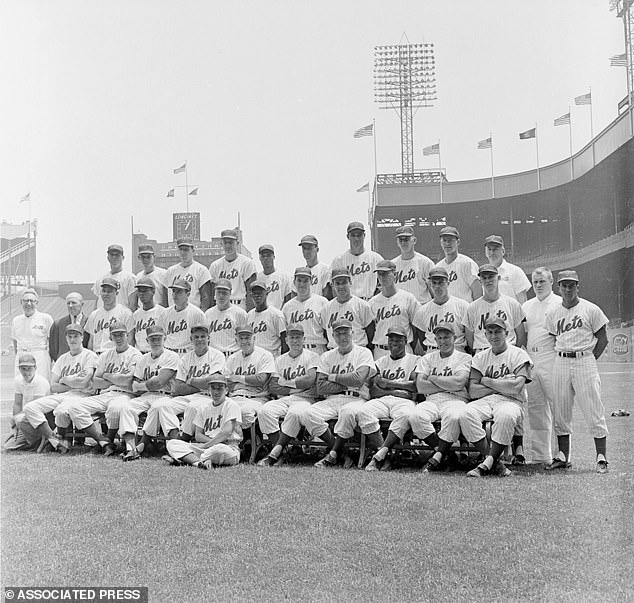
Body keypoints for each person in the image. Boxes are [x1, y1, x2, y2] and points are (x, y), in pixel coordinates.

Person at [544, 270, 610, 474]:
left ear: (577, 286)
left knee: (593, 408)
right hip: (562, 360)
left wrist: (588, 359)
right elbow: (553, 337)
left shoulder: (590, 309)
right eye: (564, 285)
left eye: (571, 285)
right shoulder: (554, 312)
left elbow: (603, 339)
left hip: (584, 360)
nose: (567, 289)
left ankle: (601, 457)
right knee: (561, 409)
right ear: (559, 288)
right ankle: (563, 456)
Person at [461, 317, 533, 478]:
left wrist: (487, 381)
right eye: (490, 332)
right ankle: (493, 461)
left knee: (506, 416)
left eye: (498, 331)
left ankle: (487, 462)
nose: (494, 336)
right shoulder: (480, 357)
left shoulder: (519, 354)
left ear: (506, 333)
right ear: (485, 335)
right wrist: (501, 385)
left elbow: (515, 388)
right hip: (487, 400)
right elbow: (473, 391)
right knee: (465, 413)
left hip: (512, 401)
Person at [67, 321, 142, 456]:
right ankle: (103, 441)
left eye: (121, 335)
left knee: (116, 407)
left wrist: (106, 376)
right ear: (110, 338)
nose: (118, 338)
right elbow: (95, 382)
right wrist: (116, 379)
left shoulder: (135, 354)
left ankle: (111, 440)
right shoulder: (106, 355)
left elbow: (127, 380)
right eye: (115, 335)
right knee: (74, 407)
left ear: (127, 335)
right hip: (106, 394)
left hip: (126, 394)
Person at [309, 320, 376, 468]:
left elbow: (358, 380)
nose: (342, 337)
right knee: (308, 414)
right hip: (332, 399)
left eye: (345, 332)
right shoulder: (327, 356)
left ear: (353, 333)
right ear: (332, 336)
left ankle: (333, 455)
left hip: (356, 398)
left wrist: (332, 378)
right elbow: (320, 386)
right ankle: (343, 453)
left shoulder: (363, 352)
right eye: (338, 333)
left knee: (348, 412)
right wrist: (347, 382)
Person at [22, 324, 98, 454]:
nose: (73, 339)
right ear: (66, 339)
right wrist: (74, 381)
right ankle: (54, 439)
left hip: (82, 396)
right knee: (30, 407)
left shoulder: (89, 356)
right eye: (70, 336)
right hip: (63, 395)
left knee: (61, 411)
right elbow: (53, 386)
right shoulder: (62, 358)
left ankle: (62, 441)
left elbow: (84, 384)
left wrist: (65, 379)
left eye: (76, 336)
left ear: (82, 338)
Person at [409, 322, 472, 472]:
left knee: (454, 417)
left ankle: (437, 457)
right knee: (415, 416)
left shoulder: (465, 357)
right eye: (440, 338)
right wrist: (447, 383)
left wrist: (434, 378)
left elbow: (459, 383)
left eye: (447, 337)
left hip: (456, 399)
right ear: (435, 340)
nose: (443, 341)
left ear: (454, 338)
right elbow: (421, 386)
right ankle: (445, 453)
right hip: (433, 400)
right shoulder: (428, 358)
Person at [356, 326, 419, 471]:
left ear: (406, 341)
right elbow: (374, 390)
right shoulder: (380, 362)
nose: (394, 342)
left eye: (399, 339)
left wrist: (388, 384)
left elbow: (414, 386)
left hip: (404, 402)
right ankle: (384, 453)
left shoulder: (415, 359)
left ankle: (379, 456)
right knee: (363, 412)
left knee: (406, 415)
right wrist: (400, 390)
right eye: (391, 339)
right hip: (383, 400)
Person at [256, 323, 320, 466]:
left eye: (298, 337)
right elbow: (273, 386)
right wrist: (295, 389)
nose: (295, 341)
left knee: (295, 413)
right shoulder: (280, 359)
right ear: (286, 340)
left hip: (305, 399)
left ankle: (276, 453)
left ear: (304, 339)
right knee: (264, 411)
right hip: (285, 398)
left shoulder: (312, 356)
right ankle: (284, 452)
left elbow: (310, 380)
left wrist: (286, 383)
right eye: (292, 337)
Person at [521, 267, 561, 464]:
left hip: (552, 357)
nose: (538, 285)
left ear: (551, 281)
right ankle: (540, 456)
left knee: (558, 407)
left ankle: (562, 455)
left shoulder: (560, 303)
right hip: (531, 358)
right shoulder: (527, 306)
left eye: (542, 281)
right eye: (535, 282)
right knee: (536, 408)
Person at [165, 374, 242, 469]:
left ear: (226, 390)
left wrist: (207, 445)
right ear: (209, 390)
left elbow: (226, 432)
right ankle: (199, 463)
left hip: (228, 447)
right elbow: (198, 435)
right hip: (207, 448)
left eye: (220, 388)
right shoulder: (203, 408)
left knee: (219, 450)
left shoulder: (231, 405)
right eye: (213, 388)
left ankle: (186, 459)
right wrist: (209, 444)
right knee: (172, 443)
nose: (216, 392)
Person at [130, 325, 180, 460]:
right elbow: (133, 386)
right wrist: (146, 385)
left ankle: (142, 444)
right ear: (147, 341)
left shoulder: (172, 356)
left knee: (157, 407)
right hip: (146, 396)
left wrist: (142, 385)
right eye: (152, 339)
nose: (156, 341)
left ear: (165, 338)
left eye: (159, 338)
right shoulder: (143, 359)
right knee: (126, 407)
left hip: (165, 395)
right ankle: (129, 447)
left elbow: (158, 383)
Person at [172, 325, 226, 443]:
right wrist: (202, 386)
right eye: (196, 337)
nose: (200, 339)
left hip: (208, 397)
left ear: (209, 338)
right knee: (163, 405)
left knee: (193, 407)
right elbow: (178, 387)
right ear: (191, 339)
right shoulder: (185, 358)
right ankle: (173, 439)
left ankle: (183, 441)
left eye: (203, 336)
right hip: (189, 396)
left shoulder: (217, 355)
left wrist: (191, 381)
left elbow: (214, 381)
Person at [223, 324, 276, 432]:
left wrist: (237, 378)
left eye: (247, 338)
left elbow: (260, 380)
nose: (244, 341)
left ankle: (246, 443)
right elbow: (227, 382)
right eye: (241, 338)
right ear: (236, 340)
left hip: (256, 398)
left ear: (254, 338)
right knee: (217, 410)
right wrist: (248, 382)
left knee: (244, 413)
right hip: (235, 398)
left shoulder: (265, 355)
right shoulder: (232, 358)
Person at [464, 264, 526, 354]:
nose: (488, 280)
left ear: (499, 278)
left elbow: (521, 335)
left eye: (491, 277)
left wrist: (512, 353)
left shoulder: (512, 304)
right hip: (482, 353)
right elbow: (469, 337)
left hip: (508, 351)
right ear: (480, 281)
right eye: (484, 278)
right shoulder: (472, 307)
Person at [368, 261, 420, 359]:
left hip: (404, 350)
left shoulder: (408, 298)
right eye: (379, 273)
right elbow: (370, 331)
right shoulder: (372, 303)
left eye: (386, 273)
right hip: (380, 351)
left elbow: (416, 327)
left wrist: (409, 344)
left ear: (394, 274)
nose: (382, 276)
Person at [413, 267, 468, 353]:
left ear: (448, 283)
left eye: (441, 282)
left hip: (457, 352)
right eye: (434, 283)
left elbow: (469, 336)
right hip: (432, 352)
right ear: (430, 284)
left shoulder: (462, 306)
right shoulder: (422, 310)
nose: (437, 286)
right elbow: (421, 337)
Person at [321, 268, 374, 350]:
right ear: (332, 285)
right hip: (334, 353)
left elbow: (370, 333)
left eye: (344, 282)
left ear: (350, 283)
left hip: (358, 352)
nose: (341, 286)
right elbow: (325, 333)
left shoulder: (362, 305)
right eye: (337, 283)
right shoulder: (326, 308)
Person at [6, 354, 50, 451]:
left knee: (19, 419)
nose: (26, 372)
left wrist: (16, 419)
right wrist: (15, 426)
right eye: (23, 369)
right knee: (8, 447)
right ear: (19, 369)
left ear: (35, 368)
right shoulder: (18, 380)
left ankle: (41, 440)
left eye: (29, 368)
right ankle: (32, 442)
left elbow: (35, 408)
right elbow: (17, 403)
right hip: (25, 419)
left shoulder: (41, 382)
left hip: (41, 419)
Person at [331, 221, 383, 301]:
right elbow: (333, 287)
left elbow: (383, 283)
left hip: (369, 301)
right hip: (348, 303)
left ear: (364, 236)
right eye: (353, 235)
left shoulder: (376, 258)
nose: (356, 238)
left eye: (359, 235)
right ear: (348, 236)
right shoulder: (339, 260)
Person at [282, 267, 328, 355]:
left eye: (305, 280)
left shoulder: (322, 302)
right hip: (296, 351)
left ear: (311, 282)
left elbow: (328, 332)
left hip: (317, 349)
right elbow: (285, 336)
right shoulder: (287, 307)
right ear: (294, 282)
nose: (302, 284)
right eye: (299, 280)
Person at [208, 229, 257, 310]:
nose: (227, 245)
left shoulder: (247, 263)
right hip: (220, 307)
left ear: (237, 243)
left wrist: (250, 312)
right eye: (225, 242)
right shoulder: (215, 266)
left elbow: (251, 291)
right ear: (221, 244)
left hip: (240, 305)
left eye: (230, 242)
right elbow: (212, 293)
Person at [85, 277, 135, 355]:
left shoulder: (125, 313)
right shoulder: (94, 315)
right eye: (104, 291)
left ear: (117, 293)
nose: (106, 294)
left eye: (110, 291)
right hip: (97, 356)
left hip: (115, 355)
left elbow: (130, 339)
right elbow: (91, 341)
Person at [11, 288, 53, 379]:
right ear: (21, 302)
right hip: (22, 356)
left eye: (32, 301)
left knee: (42, 386)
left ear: (36, 303)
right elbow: (15, 342)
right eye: (26, 300)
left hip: (40, 357)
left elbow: (52, 341)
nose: (29, 303)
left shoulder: (46, 318)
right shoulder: (16, 320)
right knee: (21, 386)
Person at [159, 278, 206, 355]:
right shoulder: (165, 314)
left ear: (188, 294)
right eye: (174, 291)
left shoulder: (197, 314)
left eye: (179, 291)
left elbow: (204, 339)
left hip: (187, 354)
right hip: (169, 355)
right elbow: (160, 337)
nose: (175, 294)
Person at [435, 226, 481, 302]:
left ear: (458, 242)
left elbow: (478, 294)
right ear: (441, 243)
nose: (447, 243)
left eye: (450, 240)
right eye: (444, 240)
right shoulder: (438, 267)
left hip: (465, 311)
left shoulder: (468, 264)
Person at [164, 239, 212, 310]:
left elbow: (206, 298)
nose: (183, 253)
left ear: (193, 251)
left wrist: (201, 315)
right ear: (177, 251)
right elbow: (165, 297)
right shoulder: (170, 271)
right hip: (174, 314)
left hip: (193, 314)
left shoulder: (201, 270)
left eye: (186, 250)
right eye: (181, 249)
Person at [205, 279, 248, 357]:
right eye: (219, 292)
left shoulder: (240, 314)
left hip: (233, 356)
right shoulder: (208, 314)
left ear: (230, 293)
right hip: (214, 357)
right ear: (214, 293)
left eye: (224, 293)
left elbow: (246, 339)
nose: (221, 296)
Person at [391, 225, 434, 304]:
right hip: (400, 309)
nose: (403, 242)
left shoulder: (425, 263)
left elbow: (434, 292)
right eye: (400, 240)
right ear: (397, 242)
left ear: (414, 240)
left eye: (406, 239)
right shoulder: (392, 265)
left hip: (421, 307)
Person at [483, 235, 531, 303]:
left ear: (503, 251)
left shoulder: (515, 271)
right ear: (485, 253)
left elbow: (523, 302)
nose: (492, 252)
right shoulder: (481, 274)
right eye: (489, 249)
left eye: (495, 249)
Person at [247, 280, 287, 357]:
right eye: (254, 294)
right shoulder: (249, 315)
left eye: (260, 293)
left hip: (271, 357)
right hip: (254, 359)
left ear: (266, 294)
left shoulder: (276, 315)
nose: (257, 296)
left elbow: (285, 341)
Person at [92, 244, 137, 311]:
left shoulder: (130, 278)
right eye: (112, 255)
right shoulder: (100, 279)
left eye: (117, 255)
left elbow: (133, 305)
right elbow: (96, 305)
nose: (114, 257)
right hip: (103, 318)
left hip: (121, 318)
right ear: (108, 258)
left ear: (123, 258)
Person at [131, 276, 168, 354]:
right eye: (140, 291)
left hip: (156, 353)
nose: (142, 294)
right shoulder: (135, 315)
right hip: (139, 354)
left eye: (145, 291)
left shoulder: (163, 312)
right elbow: (133, 339)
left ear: (153, 291)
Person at [49, 292, 89, 361]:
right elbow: (53, 348)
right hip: (64, 364)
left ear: (82, 304)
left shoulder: (89, 322)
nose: (70, 306)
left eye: (73, 303)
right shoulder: (58, 324)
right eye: (68, 303)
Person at [256, 244, 293, 309]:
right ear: (260, 258)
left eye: (268, 255)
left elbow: (288, 299)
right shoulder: (257, 278)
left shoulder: (284, 276)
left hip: (279, 314)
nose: (266, 258)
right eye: (263, 256)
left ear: (274, 257)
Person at [297, 234, 332, 299]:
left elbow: (328, 296)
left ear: (317, 249)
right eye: (304, 248)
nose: (306, 251)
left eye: (309, 248)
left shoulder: (325, 269)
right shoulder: (301, 272)